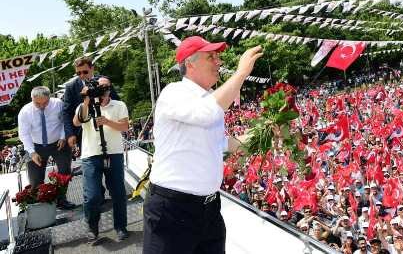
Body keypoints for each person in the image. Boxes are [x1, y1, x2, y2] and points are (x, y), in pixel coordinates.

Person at [143, 36, 263, 253]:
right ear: (190, 63)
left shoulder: (209, 98)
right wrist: (241, 73)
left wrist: (263, 133)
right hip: (173, 210)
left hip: (209, 209)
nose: (218, 62)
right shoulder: (174, 92)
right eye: (211, 57)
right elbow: (206, 114)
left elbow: (222, 143)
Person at [73, 76, 129, 243]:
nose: (103, 90)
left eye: (106, 87)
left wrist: (107, 121)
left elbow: (125, 127)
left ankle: (120, 227)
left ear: (110, 88)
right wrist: (86, 100)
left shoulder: (119, 105)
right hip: (91, 155)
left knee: (118, 193)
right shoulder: (85, 106)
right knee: (92, 195)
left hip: (114, 153)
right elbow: (76, 122)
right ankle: (92, 228)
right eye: (100, 87)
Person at [17, 86, 74, 209]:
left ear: (50, 97)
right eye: (38, 103)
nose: (42, 106)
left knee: (64, 173)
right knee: (35, 178)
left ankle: (61, 200)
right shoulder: (25, 111)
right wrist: (32, 152)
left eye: (45, 102)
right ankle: (41, 205)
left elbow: (66, 121)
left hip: (59, 143)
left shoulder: (58, 104)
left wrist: (63, 137)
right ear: (31, 99)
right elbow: (24, 134)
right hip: (35, 146)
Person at [63, 56, 119, 151]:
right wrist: (70, 134)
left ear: (92, 68)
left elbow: (116, 101)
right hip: (84, 132)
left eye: (85, 72)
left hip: (107, 126)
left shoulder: (104, 81)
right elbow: (67, 112)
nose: (81, 75)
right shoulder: (71, 87)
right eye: (78, 73)